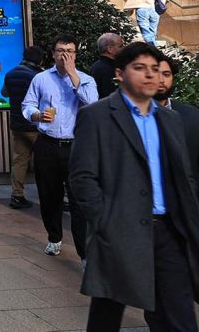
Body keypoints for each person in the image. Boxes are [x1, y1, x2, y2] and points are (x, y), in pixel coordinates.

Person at [69, 42, 199, 332]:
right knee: (107, 316)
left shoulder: (170, 118)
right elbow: (82, 177)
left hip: (169, 232)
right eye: (140, 68)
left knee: (180, 317)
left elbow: (184, 176)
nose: (150, 75)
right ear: (119, 73)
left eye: (154, 69)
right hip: (120, 231)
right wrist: (105, 221)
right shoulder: (97, 116)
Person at [21, 36, 98, 257]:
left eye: (70, 51)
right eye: (61, 50)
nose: (65, 55)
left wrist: (73, 74)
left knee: (79, 201)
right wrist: (36, 115)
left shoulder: (86, 80)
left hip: (77, 147)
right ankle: (54, 237)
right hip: (47, 143)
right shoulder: (41, 78)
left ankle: (84, 254)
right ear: (53, 54)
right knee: (49, 196)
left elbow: (92, 105)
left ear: (75, 55)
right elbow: (27, 104)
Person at [1, 46, 44, 209]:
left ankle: (17, 195)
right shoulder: (38, 76)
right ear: (39, 60)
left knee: (20, 160)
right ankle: (52, 196)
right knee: (45, 161)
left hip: (17, 124)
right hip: (35, 125)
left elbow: (4, 93)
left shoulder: (10, 73)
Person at [155, 55, 199, 190]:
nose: (161, 80)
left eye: (166, 74)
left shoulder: (192, 116)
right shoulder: (127, 116)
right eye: (155, 73)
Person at [90, 32, 125, 99]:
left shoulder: (96, 66)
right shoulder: (107, 69)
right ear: (110, 49)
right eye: (121, 46)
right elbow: (112, 96)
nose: (123, 49)